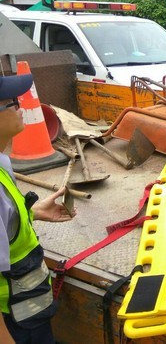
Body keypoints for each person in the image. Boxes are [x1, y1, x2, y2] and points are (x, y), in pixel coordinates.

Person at [0, 72, 76, 344]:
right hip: (15, 326)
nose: (21, 108)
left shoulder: (2, 163)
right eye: (11, 102)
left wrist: (32, 212)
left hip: (28, 316)